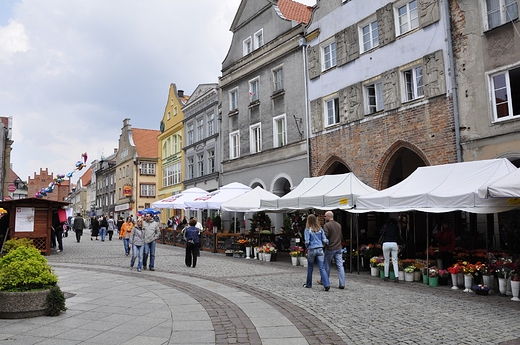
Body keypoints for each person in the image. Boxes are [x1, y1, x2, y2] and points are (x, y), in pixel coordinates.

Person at [303, 214, 330, 291]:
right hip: (320, 249)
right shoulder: (320, 229)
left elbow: (307, 241)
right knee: (322, 268)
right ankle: (326, 284)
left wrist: (307, 247)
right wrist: (325, 244)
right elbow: (325, 240)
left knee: (310, 268)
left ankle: (308, 284)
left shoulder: (307, 229)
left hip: (311, 249)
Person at [321, 211, 345, 289]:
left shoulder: (326, 225)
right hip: (338, 247)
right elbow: (341, 236)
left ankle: (325, 281)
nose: (324, 218)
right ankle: (342, 283)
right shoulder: (338, 225)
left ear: (328, 216)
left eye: (325, 216)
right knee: (340, 266)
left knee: (327, 265)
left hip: (330, 248)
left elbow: (325, 236)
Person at [380, 218, 400, 282]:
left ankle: (386, 276)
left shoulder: (385, 226)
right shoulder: (396, 227)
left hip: (386, 243)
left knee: (386, 261)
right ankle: (396, 277)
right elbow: (398, 236)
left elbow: (380, 233)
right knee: (395, 260)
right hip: (394, 243)